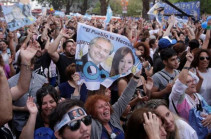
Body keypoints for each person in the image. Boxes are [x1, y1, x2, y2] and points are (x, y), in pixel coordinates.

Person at [84, 71, 140, 139]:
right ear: (93, 112)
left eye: (106, 104)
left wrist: (136, 76)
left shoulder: (113, 114)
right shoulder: (91, 125)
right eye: (100, 107)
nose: (106, 108)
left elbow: (125, 97)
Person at [169, 49, 211, 138]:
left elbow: (208, 108)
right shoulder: (178, 97)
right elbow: (179, 84)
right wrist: (188, 62)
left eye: (193, 81)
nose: (193, 83)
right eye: (188, 82)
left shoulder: (197, 96)